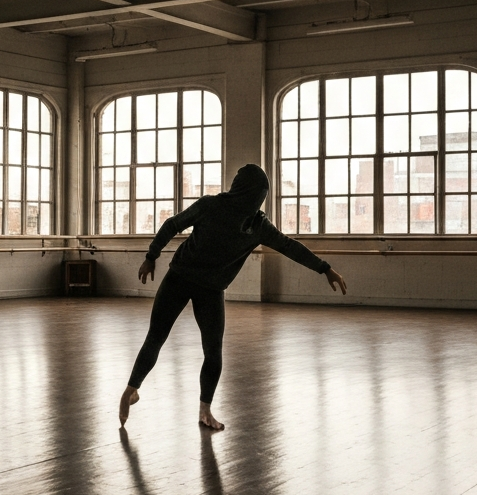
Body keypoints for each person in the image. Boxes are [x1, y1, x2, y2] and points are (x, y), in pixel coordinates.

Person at [119, 164, 347, 430]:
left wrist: (325, 268)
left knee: (199, 348)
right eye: (256, 196)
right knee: (172, 341)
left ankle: (182, 404)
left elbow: (290, 247)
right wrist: (151, 256)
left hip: (201, 286)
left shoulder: (247, 220)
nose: (256, 202)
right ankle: (145, 394)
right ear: (245, 192)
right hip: (186, 281)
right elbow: (173, 224)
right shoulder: (226, 211)